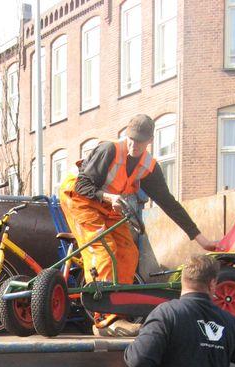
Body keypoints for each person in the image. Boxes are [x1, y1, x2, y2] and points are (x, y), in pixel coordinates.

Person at [59, 114, 214, 337]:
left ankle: (118, 314)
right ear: (126, 135)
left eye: (140, 141)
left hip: (107, 204)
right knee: (105, 250)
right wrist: (109, 197)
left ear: (150, 140)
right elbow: (83, 184)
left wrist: (199, 237)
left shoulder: (148, 167)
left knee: (128, 252)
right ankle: (105, 320)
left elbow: (168, 203)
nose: (134, 145)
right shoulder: (109, 150)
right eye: (131, 139)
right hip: (79, 197)